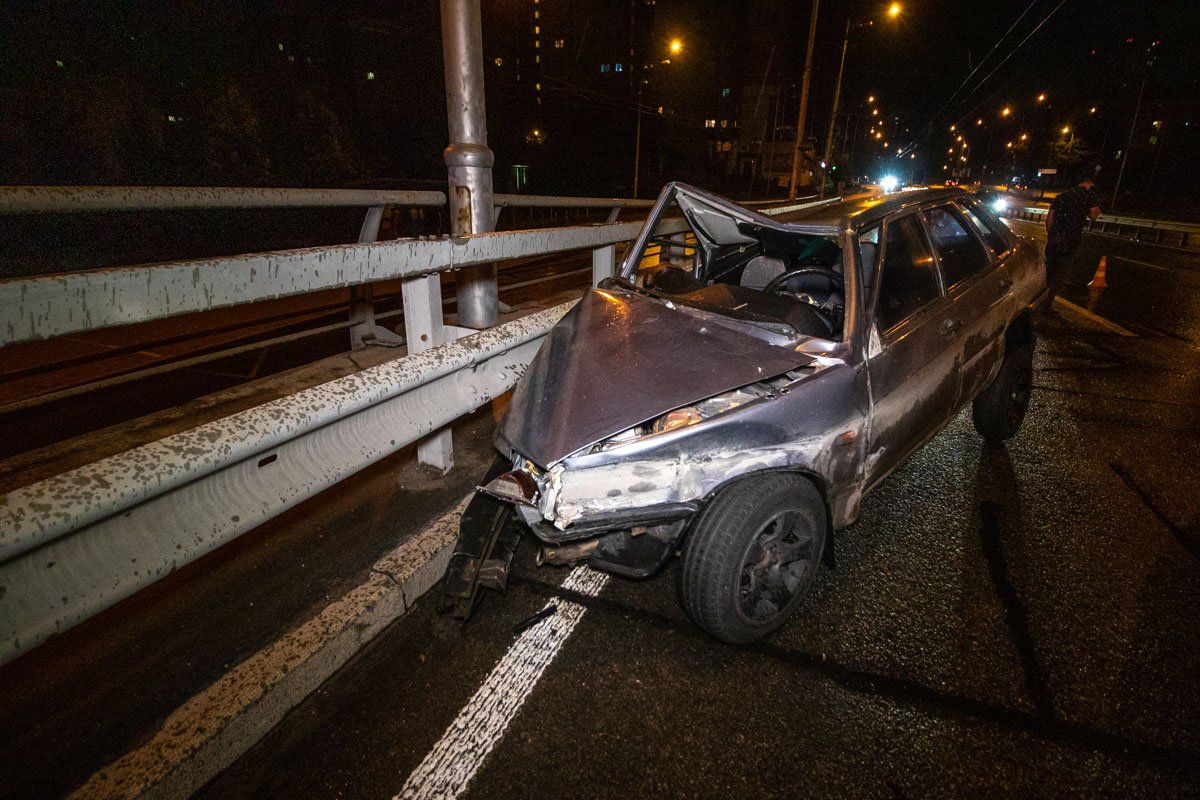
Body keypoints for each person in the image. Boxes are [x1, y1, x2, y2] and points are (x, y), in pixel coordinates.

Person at [1042, 175, 1101, 312]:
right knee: (1059, 274)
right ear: (1089, 184)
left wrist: (1052, 235)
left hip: (1054, 239)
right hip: (1070, 240)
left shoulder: (1061, 196)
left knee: (1048, 271)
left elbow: (1049, 218)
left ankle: (1036, 300)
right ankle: (1046, 305)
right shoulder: (1088, 196)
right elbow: (1094, 216)